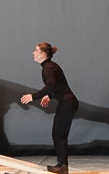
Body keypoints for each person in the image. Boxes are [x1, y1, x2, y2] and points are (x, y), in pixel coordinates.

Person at [20, 43, 79, 174]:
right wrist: (49, 95)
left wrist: (33, 96)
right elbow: (57, 85)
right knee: (59, 134)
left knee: (59, 134)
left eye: (36, 50)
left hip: (67, 103)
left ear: (43, 54)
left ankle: (62, 166)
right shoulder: (51, 66)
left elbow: (51, 85)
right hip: (68, 102)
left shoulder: (48, 68)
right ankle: (62, 165)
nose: (33, 52)